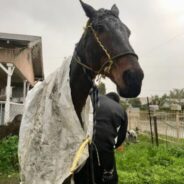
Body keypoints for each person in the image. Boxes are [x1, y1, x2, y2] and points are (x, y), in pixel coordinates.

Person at [93, 92, 128, 184]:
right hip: (105, 150)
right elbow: (121, 137)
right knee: (109, 178)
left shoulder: (92, 99)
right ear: (117, 102)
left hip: (82, 147)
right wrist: (111, 145)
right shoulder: (120, 109)